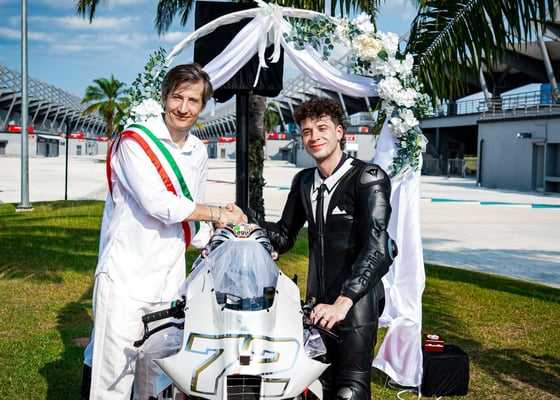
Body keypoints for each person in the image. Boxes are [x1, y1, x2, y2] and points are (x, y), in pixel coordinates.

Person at [82, 63, 247, 400]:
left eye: (193, 100)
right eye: (177, 97)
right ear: (164, 97)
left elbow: (191, 215)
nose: (183, 108)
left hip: (170, 283)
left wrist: (220, 233)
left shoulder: (198, 150)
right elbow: (159, 204)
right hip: (125, 279)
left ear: (203, 106)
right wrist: (219, 213)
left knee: (158, 384)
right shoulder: (134, 141)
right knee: (112, 382)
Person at [259, 97, 396, 400]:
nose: (314, 137)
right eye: (307, 131)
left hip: (354, 306)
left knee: (349, 390)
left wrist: (343, 303)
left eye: (322, 128)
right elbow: (284, 236)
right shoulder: (303, 181)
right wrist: (244, 222)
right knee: (316, 387)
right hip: (316, 305)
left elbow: (379, 247)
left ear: (339, 132)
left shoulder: (367, 178)